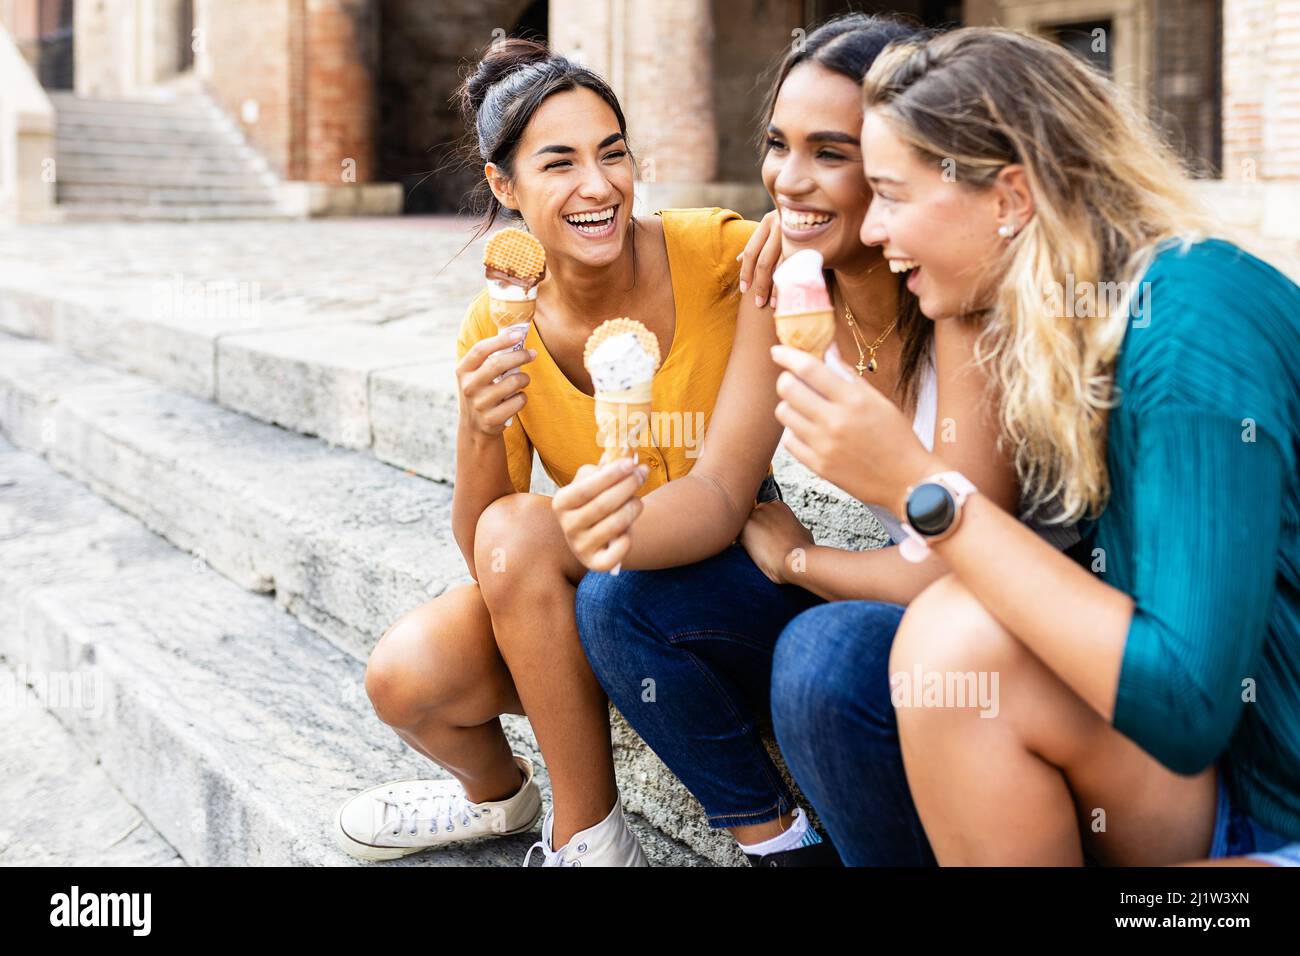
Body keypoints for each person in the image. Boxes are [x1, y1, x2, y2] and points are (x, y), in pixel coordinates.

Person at [768, 26, 1299, 866]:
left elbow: (1190, 704)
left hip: (1273, 809)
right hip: (1226, 782)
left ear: (1011, 200)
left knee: (957, 640)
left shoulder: (1195, 327)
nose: (872, 232)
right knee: (944, 644)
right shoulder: (1080, 324)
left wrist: (917, 487)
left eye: (893, 195)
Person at [566, 14, 1071, 866]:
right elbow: (723, 492)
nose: (788, 181)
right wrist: (611, 527)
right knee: (619, 598)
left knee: (824, 651)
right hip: (902, 584)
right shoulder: (786, 283)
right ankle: (785, 850)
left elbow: (957, 566)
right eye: (777, 144)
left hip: (997, 621)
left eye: (830, 154)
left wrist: (802, 563)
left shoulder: (958, 292)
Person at [333, 38, 765, 866]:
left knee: (525, 535)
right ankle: (501, 803)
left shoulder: (716, 254)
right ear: (504, 186)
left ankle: (588, 842)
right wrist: (477, 422)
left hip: (713, 581)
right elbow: (486, 554)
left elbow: (831, 270)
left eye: (613, 154)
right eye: (559, 163)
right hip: (597, 584)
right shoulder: (498, 329)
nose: (598, 186)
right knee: (406, 675)